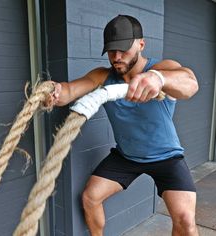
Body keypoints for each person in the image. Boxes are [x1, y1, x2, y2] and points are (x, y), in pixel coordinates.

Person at [47, 15, 199, 236]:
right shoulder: (102, 76)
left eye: (123, 50)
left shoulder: (162, 68)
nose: (116, 57)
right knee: (90, 198)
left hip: (166, 157)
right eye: (111, 51)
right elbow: (68, 92)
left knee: (185, 220)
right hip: (126, 156)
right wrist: (53, 91)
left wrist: (159, 79)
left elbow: (190, 84)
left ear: (141, 44)